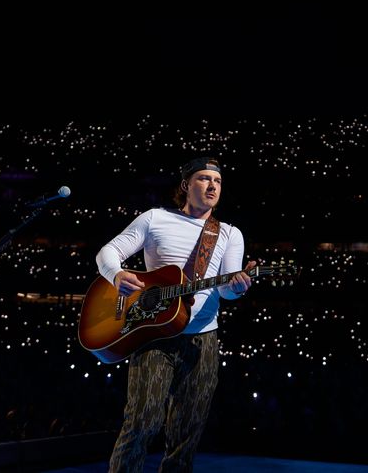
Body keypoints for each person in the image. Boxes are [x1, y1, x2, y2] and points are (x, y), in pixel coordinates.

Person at [96, 155, 255, 472]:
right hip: (154, 336)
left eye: (218, 181)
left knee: (188, 433)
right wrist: (116, 275)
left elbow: (225, 289)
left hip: (202, 342)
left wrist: (237, 287)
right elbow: (108, 252)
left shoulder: (228, 234)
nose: (212, 186)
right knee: (142, 422)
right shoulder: (154, 219)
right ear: (186, 185)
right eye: (204, 178)